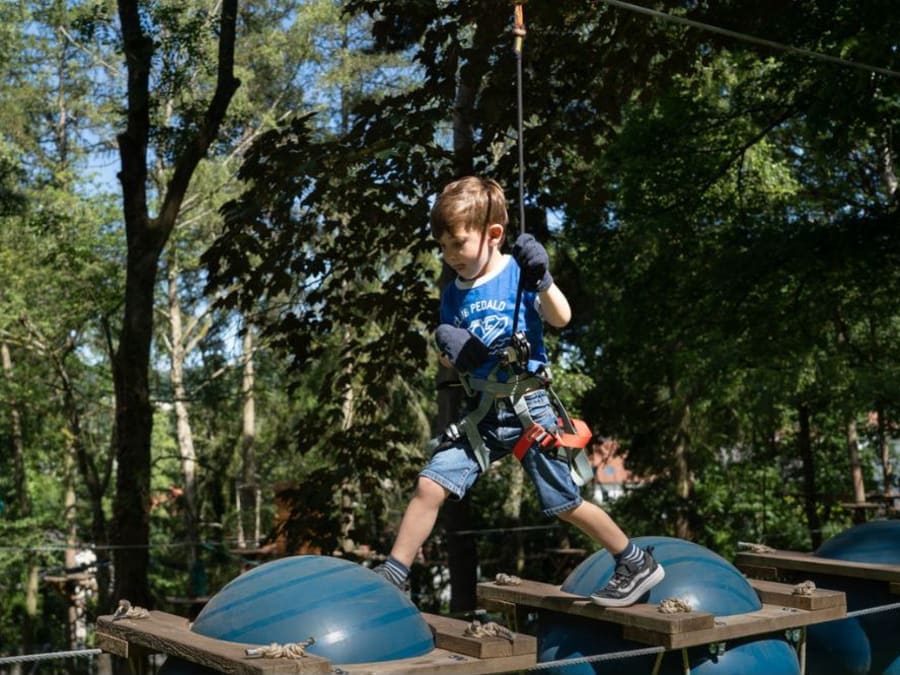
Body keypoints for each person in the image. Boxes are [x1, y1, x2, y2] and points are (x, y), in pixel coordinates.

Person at [374, 176, 663, 607]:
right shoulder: (453, 292)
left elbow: (561, 318)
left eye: (457, 244)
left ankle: (634, 561)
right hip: (485, 416)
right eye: (443, 248)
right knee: (429, 484)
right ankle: (394, 573)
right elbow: (450, 361)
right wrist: (448, 348)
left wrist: (543, 280)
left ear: (492, 235)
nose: (450, 256)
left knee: (564, 501)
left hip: (531, 411)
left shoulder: (518, 272)